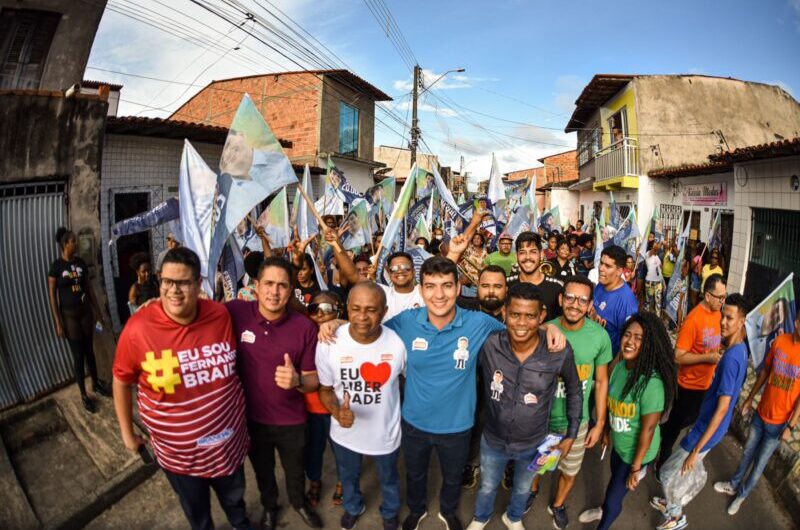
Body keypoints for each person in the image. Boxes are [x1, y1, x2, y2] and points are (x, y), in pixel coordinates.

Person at [318, 254, 565, 530]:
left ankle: (448, 512)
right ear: (421, 289)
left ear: (459, 288)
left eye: (447, 285)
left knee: (451, 477)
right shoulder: (405, 322)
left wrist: (548, 327)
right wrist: (337, 324)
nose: (439, 294)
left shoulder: (478, 323)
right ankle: (417, 510)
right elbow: (368, 327)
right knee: (415, 475)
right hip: (414, 422)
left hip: (458, 426)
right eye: (431, 286)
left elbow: (520, 327)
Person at [112, 247, 251, 530]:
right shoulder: (138, 329)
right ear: (159, 282)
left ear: (199, 284)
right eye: (167, 282)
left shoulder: (220, 315)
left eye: (183, 282)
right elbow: (121, 380)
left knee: (235, 500)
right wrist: (127, 434)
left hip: (228, 444)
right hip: (180, 458)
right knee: (198, 516)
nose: (174, 290)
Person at [466, 283, 582, 530]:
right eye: (516, 314)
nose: (521, 323)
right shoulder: (489, 346)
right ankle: (481, 517)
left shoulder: (558, 351)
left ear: (541, 316)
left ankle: (514, 517)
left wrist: (572, 433)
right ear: (505, 312)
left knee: (521, 488)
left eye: (530, 316)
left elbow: (574, 390)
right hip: (493, 439)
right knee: (487, 485)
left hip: (533, 443)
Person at [225, 257, 324, 530]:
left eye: (282, 285)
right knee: (263, 471)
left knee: (295, 470)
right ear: (256, 286)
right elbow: (195, 311)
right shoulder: (236, 312)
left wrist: (297, 380)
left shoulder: (304, 327)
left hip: (292, 420)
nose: (274, 291)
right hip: (251, 420)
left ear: (290, 290)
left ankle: (299, 503)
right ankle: (270, 507)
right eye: (268, 283)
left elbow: (314, 381)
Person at [652, 294, 749, 530]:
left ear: (742, 320)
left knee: (666, 473)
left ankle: (676, 517)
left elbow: (723, 407)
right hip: (709, 428)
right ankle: (671, 502)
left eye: (729, 318)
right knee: (677, 472)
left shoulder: (731, 360)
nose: (722, 322)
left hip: (704, 431)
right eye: (722, 316)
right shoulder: (740, 350)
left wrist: (696, 449)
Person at [317, 283, 406, 530]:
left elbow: (412, 381)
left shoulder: (397, 344)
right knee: (347, 477)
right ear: (346, 308)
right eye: (355, 309)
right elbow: (324, 390)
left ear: (384, 311)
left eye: (371, 309)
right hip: (344, 433)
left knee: (389, 479)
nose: (362, 317)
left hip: (385, 433)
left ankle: (390, 513)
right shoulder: (328, 343)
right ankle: (354, 507)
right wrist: (337, 412)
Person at [528, 275, 613, 529]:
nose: (575, 305)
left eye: (582, 300)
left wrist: (599, 424)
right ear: (561, 299)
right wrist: (544, 327)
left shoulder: (600, 337)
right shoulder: (545, 329)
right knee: (537, 466)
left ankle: (557, 504)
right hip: (541, 420)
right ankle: (531, 492)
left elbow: (601, 382)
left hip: (578, 423)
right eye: (571, 298)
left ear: (590, 306)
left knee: (570, 472)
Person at [578, 313, 678, 529]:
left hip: (636, 454)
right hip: (619, 446)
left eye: (639, 338)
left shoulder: (652, 383)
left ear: (649, 344)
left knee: (615, 495)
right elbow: (612, 405)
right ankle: (606, 507)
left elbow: (649, 430)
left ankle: (604, 521)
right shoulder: (620, 367)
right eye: (627, 335)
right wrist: (605, 430)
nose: (630, 341)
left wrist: (635, 468)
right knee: (614, 482)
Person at [713, 309, 800, 515]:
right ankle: (733, 485)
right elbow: (764, 374)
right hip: (761, 414)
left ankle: (741, 496)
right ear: (796, 322)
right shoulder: (780, 342)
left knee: (759, 465)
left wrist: (791, 425)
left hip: (779, 425)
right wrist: (750, 398)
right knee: (747, 454)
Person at [657, 274, 726, 471]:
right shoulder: (693, 319)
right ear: (707, 296)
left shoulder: (718, 314)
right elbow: (678, 356)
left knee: (690, 420)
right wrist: (707, 358)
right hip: (688, 386)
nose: (722, 301)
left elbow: (713, 343)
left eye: (724, 296)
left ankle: (660, 432)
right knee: (676, 425)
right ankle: (661, 458)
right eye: (719, 297)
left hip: (706, 384)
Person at [47, 227, 110, 413]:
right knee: (78, 355)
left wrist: (98, 313)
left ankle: (96, 384)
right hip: (69, 317)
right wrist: (58, 322)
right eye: (73, 241)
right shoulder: (56, 267)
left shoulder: (81, 263)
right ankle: (84, 395)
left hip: (85, 314)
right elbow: (52, 297)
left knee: (89, 350)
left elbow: (89, 289)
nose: (76, 244)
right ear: (66, 244)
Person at [303, 292, 344, 508]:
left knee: (342, 451)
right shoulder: (304, 332)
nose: (320, 314)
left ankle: (341, 483)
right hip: (312, 408)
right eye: (314, 309)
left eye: (327, 310)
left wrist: (340, 322)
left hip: (337, 407)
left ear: (338, 311)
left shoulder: (345, 334)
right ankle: (315, 482)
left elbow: (366, 327)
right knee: (313, 451)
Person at [591, 245, 639, 358]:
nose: (601, 268)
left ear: (619, 271)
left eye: (607, 266)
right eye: (601, 263)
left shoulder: (627, 302)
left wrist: (611, 371)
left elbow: (627, 344)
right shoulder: (600, 286)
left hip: (607, 362)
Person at [507, 231, 565, 320]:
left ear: (541, 255)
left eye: (533, 252)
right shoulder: (506, 285)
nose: (527, 257)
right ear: (516, 256)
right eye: (522, 252)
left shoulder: (557, 287)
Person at [379, 251, 425, 321]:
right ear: (389, 273)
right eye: (394, 269)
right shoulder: (382, 293)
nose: (400, 271)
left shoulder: (423, 292)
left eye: (405, 267)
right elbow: (356, 277)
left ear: (414, 271)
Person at [460, 233, 488, 297]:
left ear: (481, 241)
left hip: (479, 281)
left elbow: (486, 266)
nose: (476, 239)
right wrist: (465, 274)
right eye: (474, 238)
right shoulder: (468, 250)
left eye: (478, 238)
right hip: (467, 280)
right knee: (466, 299)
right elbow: (462, 263)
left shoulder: (485, 253)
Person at [645, 242, 664, 317]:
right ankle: (647, 319)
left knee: (658, 303)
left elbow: (661, 268)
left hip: (658, 283)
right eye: (654, 245)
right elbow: (652, 251)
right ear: (651, 247)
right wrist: (657, 247)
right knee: (648, 302)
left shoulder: (657, 256)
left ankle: (657, 319)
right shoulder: (648, 254)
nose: (656, 246)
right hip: (649, 282)